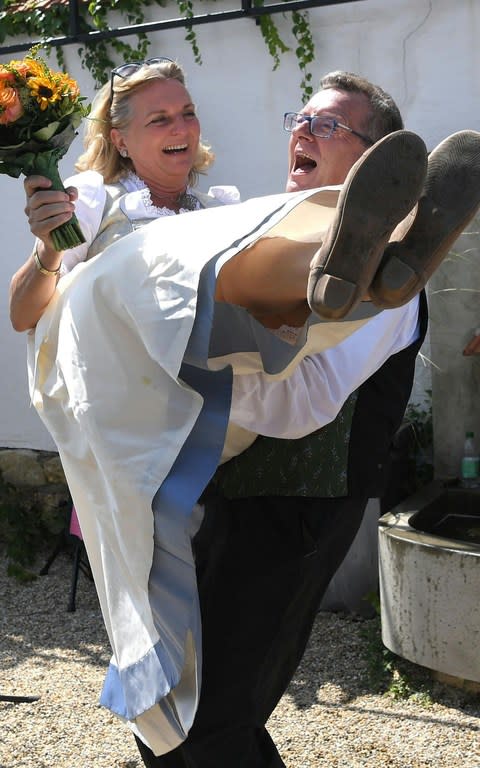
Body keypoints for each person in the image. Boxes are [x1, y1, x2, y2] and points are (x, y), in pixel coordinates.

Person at [9, 59, 480, 761]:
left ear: (377, 156)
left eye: (331, 124)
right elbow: (32, 312)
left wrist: (204, 369)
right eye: (304, 119)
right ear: (121, 137)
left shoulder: (224, 207)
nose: (306, 130)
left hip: (291, 500)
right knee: (184, 700)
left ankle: (358, 258)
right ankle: (329, 266)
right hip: (185, 447)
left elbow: (303, 405)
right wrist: (53, 252)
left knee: (209, 715)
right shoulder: (99, 197)